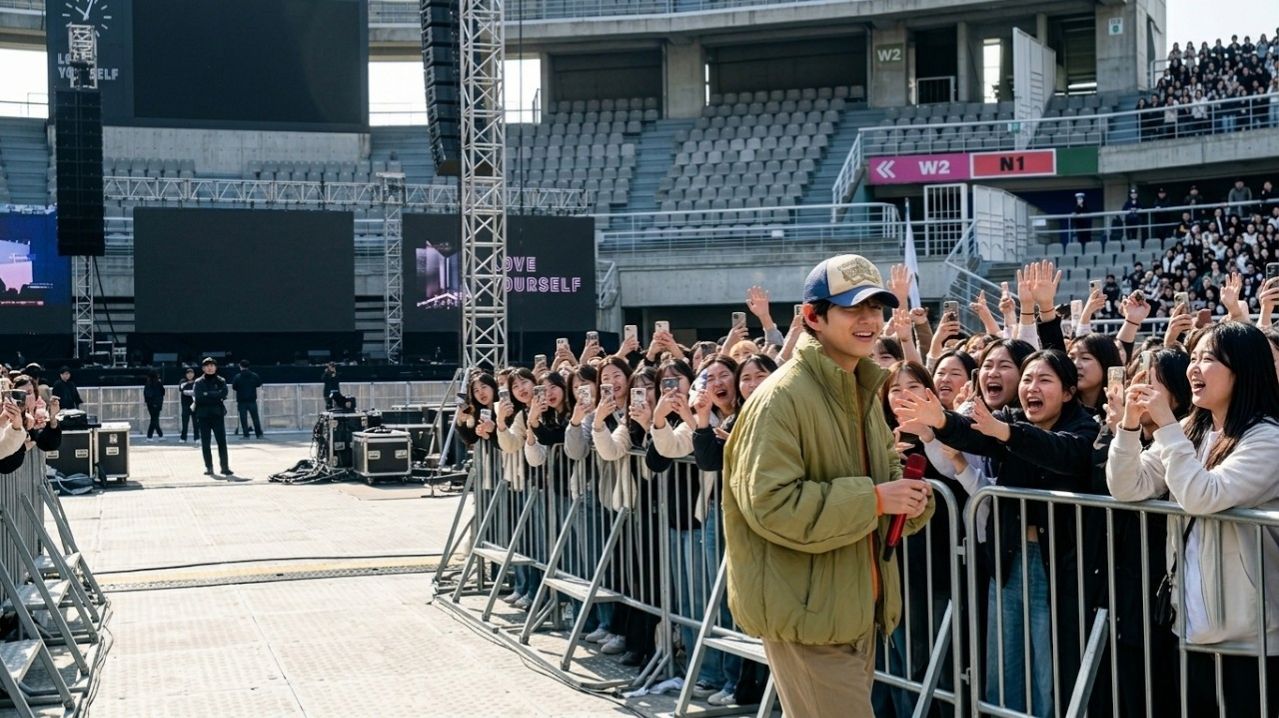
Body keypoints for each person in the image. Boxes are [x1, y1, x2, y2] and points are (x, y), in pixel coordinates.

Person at [723, 253, 935, 717]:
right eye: (852, 308)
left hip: (852, 607)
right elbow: (771, 504)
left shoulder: (859, 388)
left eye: (876, 309)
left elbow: (884, 484)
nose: (869, 321)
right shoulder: (781, 399)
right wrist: (876, 499)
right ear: (812, 317)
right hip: (810, 614)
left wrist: (911, 500)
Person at [1108, 322, 1279, 716]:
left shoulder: (1266, 438)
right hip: (1190, 625)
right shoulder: (1192, 429)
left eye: (1210, 359)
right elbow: (1127, 486)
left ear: (1245, 370)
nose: (1195, 369)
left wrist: (1167, 426)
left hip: (1251, 636)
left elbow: (1203, 495)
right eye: (1195, 357)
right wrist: (1130, 425)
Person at [192, 357, 233, 476]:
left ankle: (224, 467)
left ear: (216, 367)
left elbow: (224, 393)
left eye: (212, 365)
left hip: (217, 415)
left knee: (222, 442)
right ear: (203, 368)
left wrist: (208, 394)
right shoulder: (198, 382)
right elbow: (199, 398)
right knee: (206, 443)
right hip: (203, 416)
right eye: (207, 366)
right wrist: (215, 395)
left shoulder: (221, 380)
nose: (210, 368)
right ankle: (209, 467)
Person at [232, 360, 264, 439]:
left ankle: (246, 435)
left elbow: (234, 387)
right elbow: (259, 384)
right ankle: (259, 434)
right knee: (255, 418)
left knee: (243, 419)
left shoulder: (237, 377)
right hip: (252, 400)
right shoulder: (254, 375)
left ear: (240, 366)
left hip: (241, 401)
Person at [143, 371, 165, 440]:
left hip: (150, 405)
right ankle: (158, 435)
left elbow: (146, 395)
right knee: (154, 420)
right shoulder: (158, 384)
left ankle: (152, 436)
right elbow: (163, 392)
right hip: (156, 404)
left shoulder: (148, 384)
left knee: (154, 420)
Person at [179, 367, 199, 442]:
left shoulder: (196, 381)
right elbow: (181, 389)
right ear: (186, 374)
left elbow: (196, 391)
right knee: (185, 422)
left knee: (196, 423)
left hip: (194, 404)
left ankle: (197, 438)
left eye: (191, 373)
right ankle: (183, 438)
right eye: (188, 373)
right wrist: (188, 385)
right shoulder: (183, 381)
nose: (190, 375)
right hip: (185, 405)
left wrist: (187, 392)